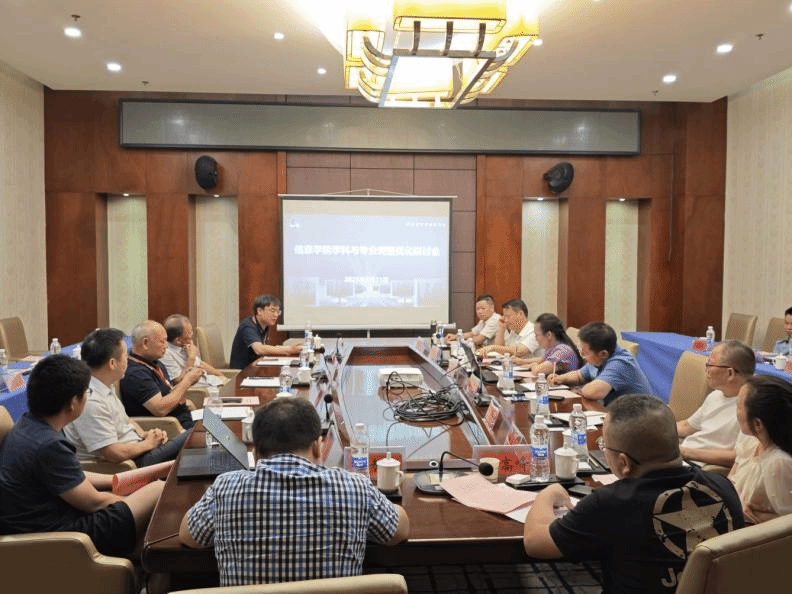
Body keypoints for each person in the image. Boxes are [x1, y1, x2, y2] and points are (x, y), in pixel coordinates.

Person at [523, 395, 744, 594]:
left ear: (624, 462)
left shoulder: (610, 503)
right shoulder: (723, 486)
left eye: (604, 446)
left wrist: (548, 494)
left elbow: (535, 542)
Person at [179, 398, 409, 585]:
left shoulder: (225, 487)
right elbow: (398, 532)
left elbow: (188, 537)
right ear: (318, 447)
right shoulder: (355, 487)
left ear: (256, 453)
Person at [0, 355, 164, 558]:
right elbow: (94, 503)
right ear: (72, 403)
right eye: (86, 393)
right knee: (158, 489)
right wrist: (131, 500)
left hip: (55, 517)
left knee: (145, 488)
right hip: (62, 535)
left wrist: (120, 481)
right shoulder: (49, 445)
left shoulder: (28, 424)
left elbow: (72, 477)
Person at [64, 328, 190, 468]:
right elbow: (113, 453)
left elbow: (125, 421)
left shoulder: (104, 385)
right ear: (112, 364)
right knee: (197, 433)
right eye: (125, 356)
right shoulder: (91, 401)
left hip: (139, 449)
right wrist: (148, 444)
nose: (128, 361)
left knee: (199, 437)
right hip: (132, 464)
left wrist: (145, 434)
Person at [677, 340, 755, 467]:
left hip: (698, 465)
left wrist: (686, 452)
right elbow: (687, 426)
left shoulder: (751, 408)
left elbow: (738, 456)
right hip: (683, 455)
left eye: (710, 364)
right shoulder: (715, 395)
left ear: (730, 373)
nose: (706, 369)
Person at [728, 375, 792, 523]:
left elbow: (787, 524)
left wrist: (755, 516)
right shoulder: (751, 441)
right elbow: (730, 482)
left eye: (739, 406)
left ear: (758, 424)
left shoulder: (779, 463)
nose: (736, 412)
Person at [120, 320, 203, 429]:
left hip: (187, 416)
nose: (166, 346)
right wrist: (187, 381)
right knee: (220, 431)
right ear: (145, 343)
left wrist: (184, 379)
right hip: (175, 425)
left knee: (219, 416)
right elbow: (160, 409)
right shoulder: (135, 373)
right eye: (162, 341)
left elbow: (168, 391)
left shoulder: (155, 363)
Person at [549, 321, 652, 407]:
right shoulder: (598, 358)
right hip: (618, 412)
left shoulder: (620, 363)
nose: (583, 356)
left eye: (585, 353)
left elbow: (594, 392)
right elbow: (579, 375)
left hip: (639, 417)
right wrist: (559, 378)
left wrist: (579, 389)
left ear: (603, 354)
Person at [229, 294, 302, 369]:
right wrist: (289, 350)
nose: (276, 315)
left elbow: (265, 348)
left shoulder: (264, 325)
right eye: (273, 311)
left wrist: (290, 348)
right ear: (259, 311)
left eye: (278, 312)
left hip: (255, 367)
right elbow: (259, 349)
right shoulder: (247, 326)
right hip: (242, 372)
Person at [161, 314, 227, 388]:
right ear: (178, 340)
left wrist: (222, 376)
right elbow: (179, 382)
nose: (192, 334)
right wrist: (191, 359)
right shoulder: (165, 354)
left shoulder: (184, 345)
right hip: (202, 390)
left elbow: (201, 364)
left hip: (213, 382)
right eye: (189, 334)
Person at [513, 313, 582, 375]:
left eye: (537, 335)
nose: (535, 338)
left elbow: (537, 371)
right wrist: (522, 361)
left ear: (549, 335)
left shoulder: (562, 350)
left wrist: (534, 365)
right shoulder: (552, 346)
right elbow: (542, 359)